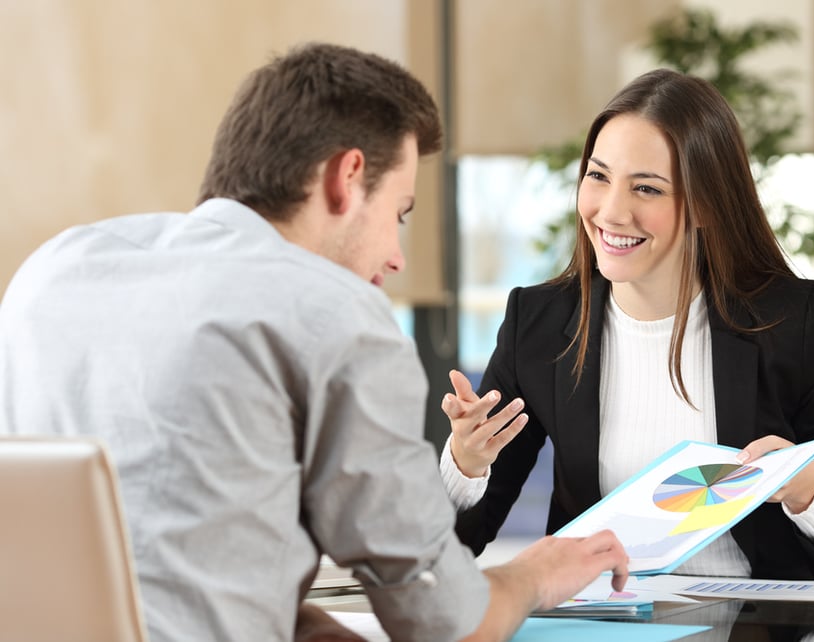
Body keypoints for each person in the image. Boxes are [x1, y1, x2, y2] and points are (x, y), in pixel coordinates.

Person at [0, 42, 628, 642]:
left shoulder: (56, 269)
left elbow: (147, 547)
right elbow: (449, 622)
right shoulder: (335, 314)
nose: (398, 258)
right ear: (346, 177)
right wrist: (539, 572)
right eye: (400, 213)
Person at [439, 68, 814, 581]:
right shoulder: (539, 323)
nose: (611, 212)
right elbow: (451, 548)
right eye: (598, 176)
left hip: (758, 626)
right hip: (597, 623)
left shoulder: (797, 320)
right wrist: (466, 463)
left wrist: (807, 488)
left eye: (647, 189)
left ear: (704, 204)